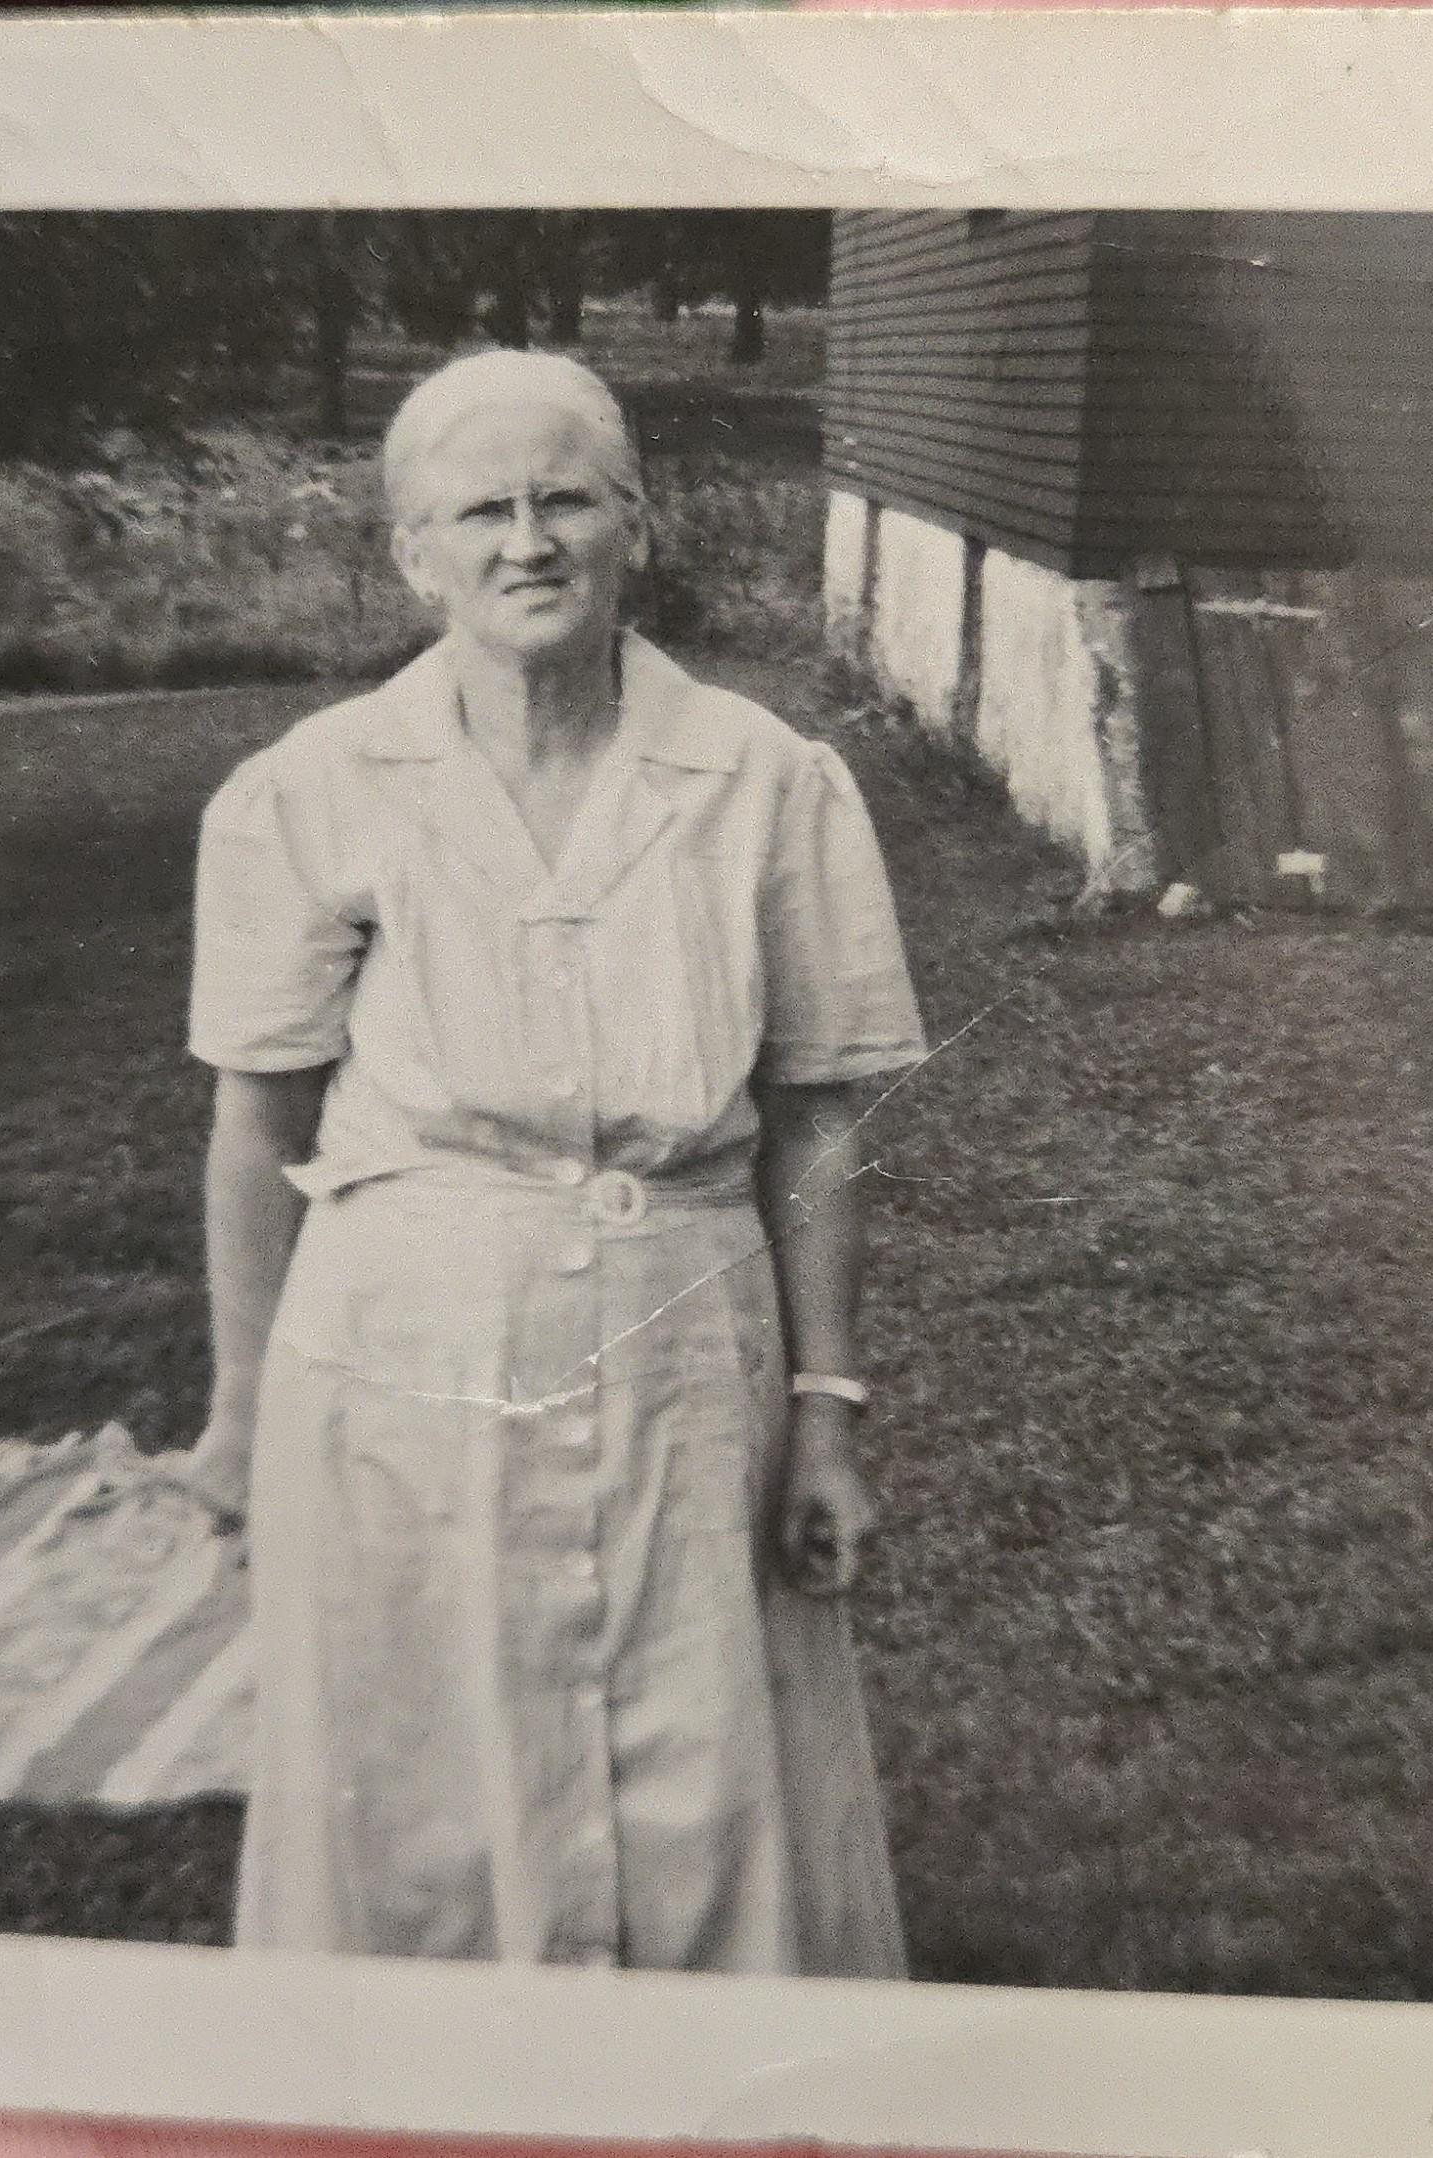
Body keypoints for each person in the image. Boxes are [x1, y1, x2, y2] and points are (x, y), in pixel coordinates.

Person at [184, 348, 926, 1969]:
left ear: (635, 526)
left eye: (567, 500)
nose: (529, 541)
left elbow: (818, 1118)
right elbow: (257, 1128)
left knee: (698, 1776)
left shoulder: (764, 780)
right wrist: (241, 1414)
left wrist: (827, 1415)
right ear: (415, 555)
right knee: (423, 1787)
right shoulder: (311, 790)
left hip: (684, 1357)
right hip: (404, 1367)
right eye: (483, 512)